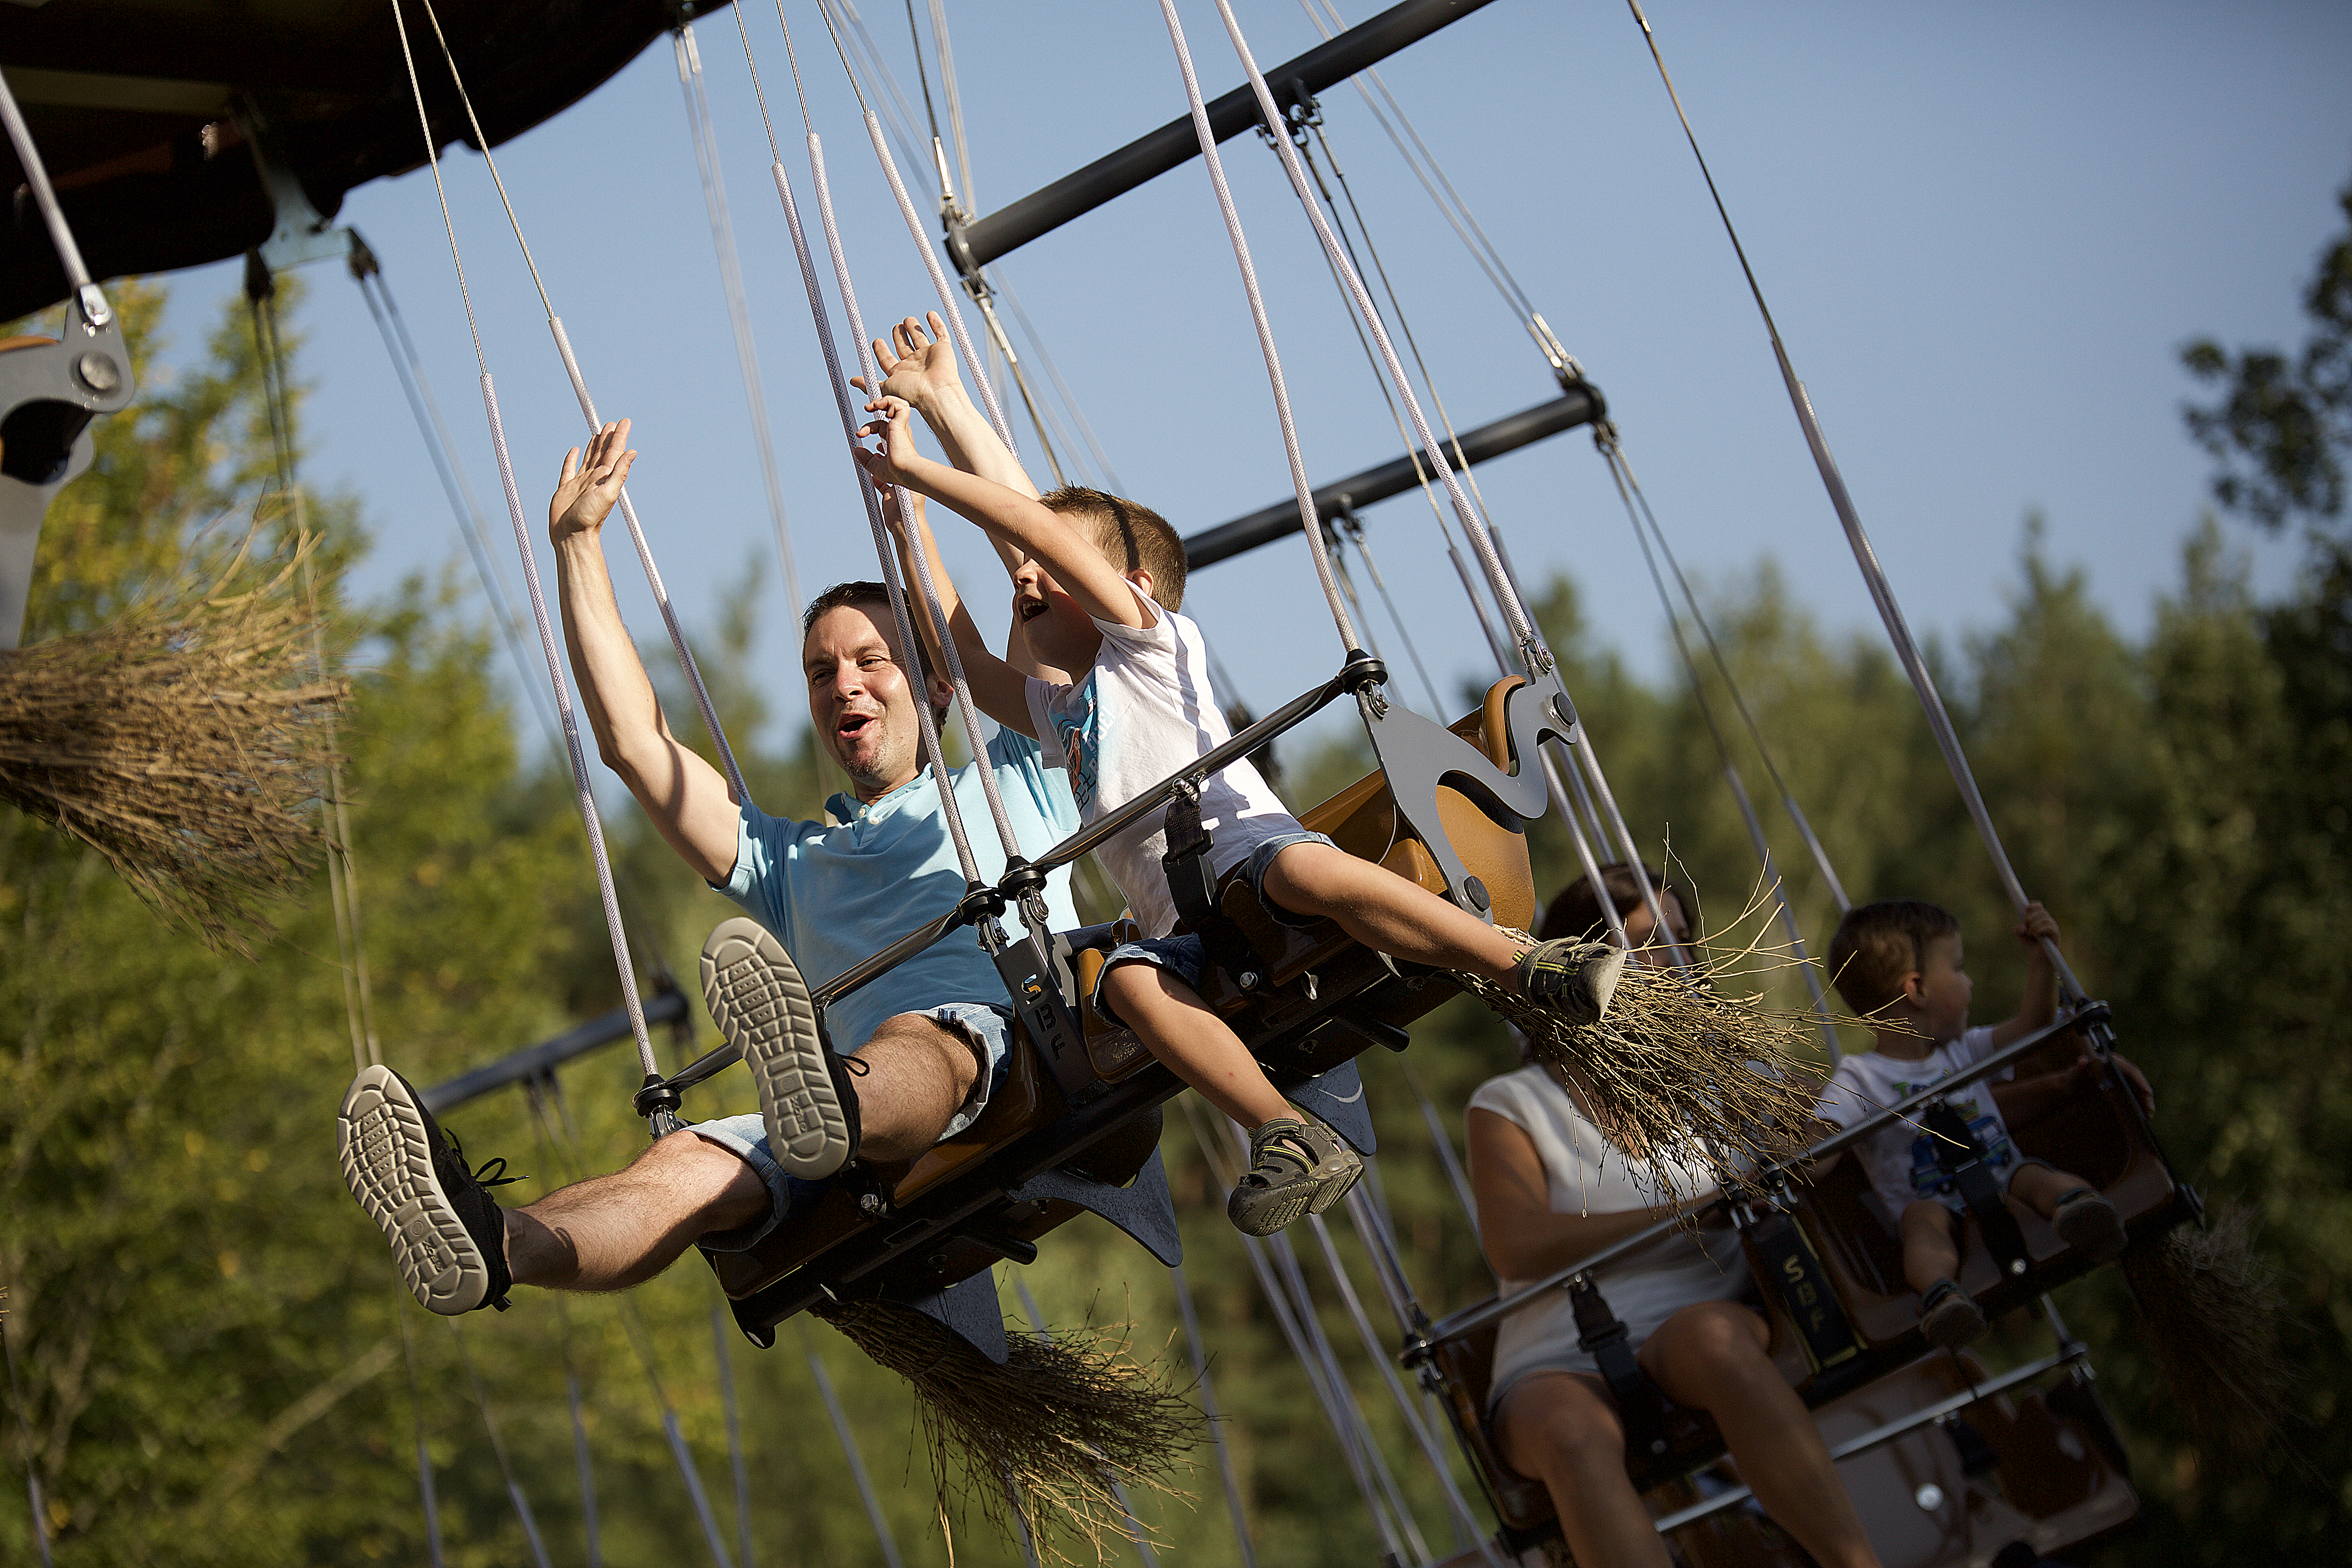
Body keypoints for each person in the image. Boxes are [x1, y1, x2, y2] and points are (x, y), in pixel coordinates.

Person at [337, 417, 1082, 1315]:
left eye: (871, 661)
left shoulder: (1024, 777)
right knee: (682, 1165)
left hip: (1011, 1051)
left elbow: (1053, 583)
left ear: (936, 685)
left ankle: (832, 1103)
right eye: (819, 671)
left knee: (923, 1037)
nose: (842, 683)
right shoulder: (789, 863)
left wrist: (928, 474)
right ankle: (498, 1244)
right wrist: (577, 547)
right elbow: (635, 748)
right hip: (835, 1120)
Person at [849, 382, 1626, 1236]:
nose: (1022, 579)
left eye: (1046, 570)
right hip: (1184, 928)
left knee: (1298, 867)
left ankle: (1523, 964)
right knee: (1129, 985)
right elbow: (960, 644)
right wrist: (907, 527)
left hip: (1247, 853)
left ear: (1129, 587)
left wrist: (925, 464)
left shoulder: (1152, 647)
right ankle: (1286, 1133)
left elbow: (1033, 528)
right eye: (1018, 579)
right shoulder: (1058, 714)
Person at [1470, 871, 1886, 1568]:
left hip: (1695, 1321)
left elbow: (1841, 1130)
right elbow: (1517, 1247)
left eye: (1680, 941)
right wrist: (1692, 1212)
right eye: (1642, 944)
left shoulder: (1729, 1078)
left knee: (1716, 1342)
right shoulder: (1512, 1102)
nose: (1669, 961)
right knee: (1573, 1435)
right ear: (1584, 963)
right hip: (1556, 1353)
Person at [1814, 898, 2143, 1350]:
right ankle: (1942, 1296)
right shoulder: (1860, 1078)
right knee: (1920, 1223)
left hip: (2002, 1171)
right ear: (1918, 989)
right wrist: (1800, 1154)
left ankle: (2078, 1211)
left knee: (2034, 1175)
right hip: (1930, 1198)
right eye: (1960, 968)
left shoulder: (1960, 1051)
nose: (1969, 982)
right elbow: (1823, 1137)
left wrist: (2042, 962)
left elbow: (2033, 1026)